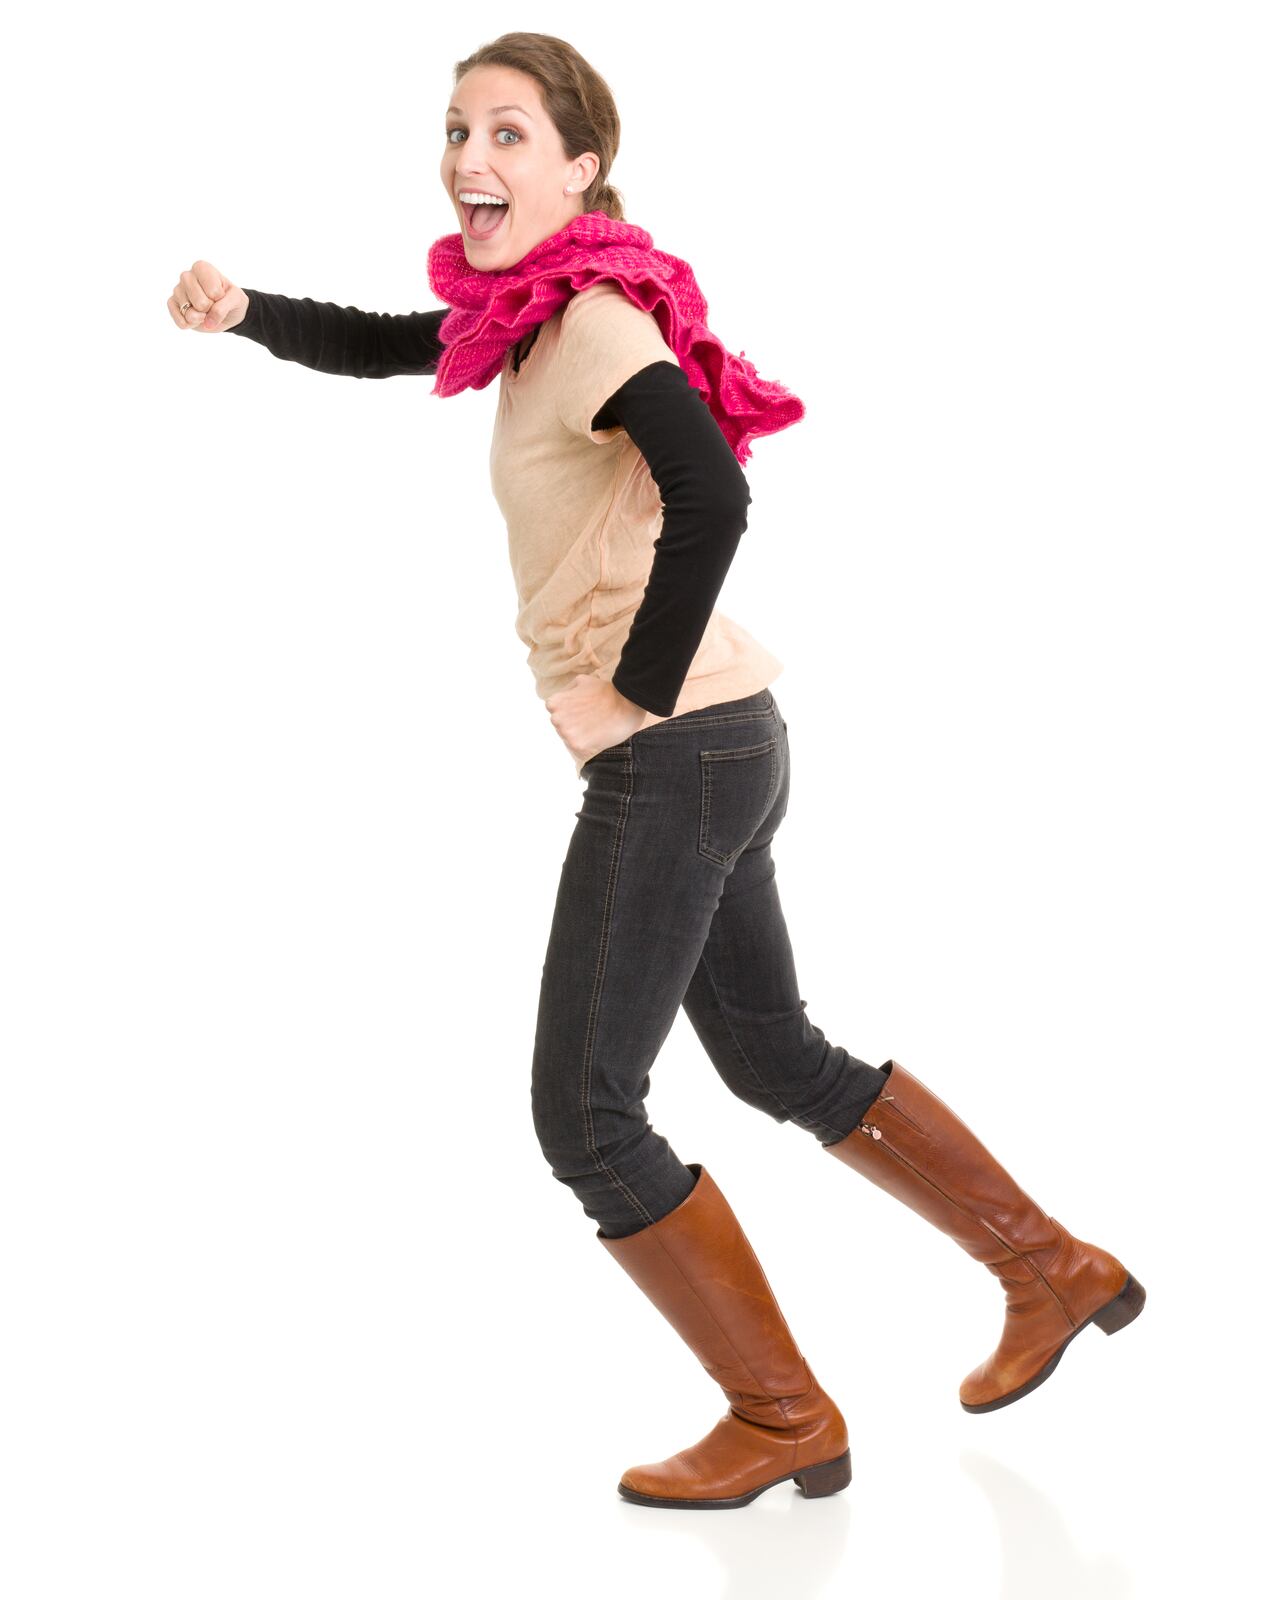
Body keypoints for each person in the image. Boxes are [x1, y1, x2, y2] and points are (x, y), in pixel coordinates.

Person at [168, 30, 1146, 1512]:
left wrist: (625, 701)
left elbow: (715, 493)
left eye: (508, 133)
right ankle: (1051, 1268)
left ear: (582, 167)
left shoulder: (601, 322)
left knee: (584, 1113)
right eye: (454, 131)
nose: (468, 160)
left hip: (679, 750)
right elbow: (391, 343)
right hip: (729, 739)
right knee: (773, 1057)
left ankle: (780, 1416)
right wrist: (246, 314)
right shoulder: (528, 320)